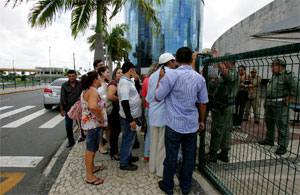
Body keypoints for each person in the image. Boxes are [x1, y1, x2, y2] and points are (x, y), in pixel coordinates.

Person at [156, 47, 208, 194]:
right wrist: (202, 121)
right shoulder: (199, 78)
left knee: (171, 156)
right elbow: (203, 102)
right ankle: (185, 187)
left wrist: (160, 79)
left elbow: (158, 96)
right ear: (192, 59)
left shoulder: (170, 76)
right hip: (191, 124)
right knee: (189, 157)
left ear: (177, 60)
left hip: (173, 124)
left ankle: (168, 186)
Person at [146, 53, 177, 177]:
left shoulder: (153, 75)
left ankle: (152, 167)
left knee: (154, 142)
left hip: (153, 113)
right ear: (169, 62)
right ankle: (160, 171)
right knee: (162, 145)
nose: (175, 63)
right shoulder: (170, 73)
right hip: (164, 113)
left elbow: (149, 97)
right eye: (173, 60)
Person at [259, 59, 298, 155]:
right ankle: (269, 139)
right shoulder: (275, 76)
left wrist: (290, 97)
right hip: (270, 103)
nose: (271, 68)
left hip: (280, 104)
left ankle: (283, 145)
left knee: (282, 125)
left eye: (273, 66)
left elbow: (297, 87)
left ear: (280, 66)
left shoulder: (287, 75)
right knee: (269, 122)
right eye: (271, 66)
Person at [207, 59, 239, 163]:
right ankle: (223, 153)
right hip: (221, 105)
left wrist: (219, 61)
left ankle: (213, 153)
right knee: (224, 130)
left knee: (219, 130)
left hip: (225, 107)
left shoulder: (233, 72)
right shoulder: (223, 73)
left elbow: (229, 77)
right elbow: (214, 84)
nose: (223, 64)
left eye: (225, 62)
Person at [80, 71, 105, 185]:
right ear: (95, 79)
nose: (101, 79)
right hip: (93, 124)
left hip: (90, 124)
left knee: (92, 148)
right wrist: (100, 118)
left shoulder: (86, 90)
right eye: (100, 77)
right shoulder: (93, 91)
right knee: (90, 150)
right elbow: (93, 106)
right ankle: (89, 176)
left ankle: (92, 168)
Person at [118, 61, 142, 171]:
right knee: (127, 139)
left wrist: (137, 80)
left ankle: (128, 156)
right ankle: (124, 163)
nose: (135, 72)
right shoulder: (124, 82)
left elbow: (135, 93)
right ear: (131, 69)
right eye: (134, 70)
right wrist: (130, 119)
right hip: (129, 117)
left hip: (132, 115)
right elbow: (124, 101)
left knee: (130, 138)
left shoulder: (128, 81)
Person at [141, 63, 159, 162]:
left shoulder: (146, 80)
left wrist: (145, 108)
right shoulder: (157, 80)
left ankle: (146, 154)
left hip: (148, 108)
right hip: (156, 109)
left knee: (149, 132)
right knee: (156, 133)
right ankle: (154, 154)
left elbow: (143, 97)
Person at [60, 70, 82, 148]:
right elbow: (62, 97)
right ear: (68, 76)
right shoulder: (64, 85)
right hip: (68, 109)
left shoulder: (80, 84)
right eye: (70, 76)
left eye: (73, 76)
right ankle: (71, 141)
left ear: (76, 76)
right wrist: (62, 109)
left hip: (79, 108)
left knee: (81, 124)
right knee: (68, 126)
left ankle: (82, 136)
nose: (71, 77)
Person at [107, 67, 122, 160]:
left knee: (116, 132)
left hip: (118, 111)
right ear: (114, 74)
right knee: (114, 133)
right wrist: (121, 99)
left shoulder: (120, 83)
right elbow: (110, 96)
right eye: (118, 73)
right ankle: (114, 153)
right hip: (114, 112)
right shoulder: (113, 83)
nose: (120, 74)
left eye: (121, 72)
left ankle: (115, 151)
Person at [97, 66, 110, 154]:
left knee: (108, 127)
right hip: (100, 108)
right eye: (107, 72)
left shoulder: (106, 82)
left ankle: (109, 144)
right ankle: (100, 146)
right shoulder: (97, 82)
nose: (109, 74)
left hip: (108, 107)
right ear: (102, 73)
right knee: (101, 128)